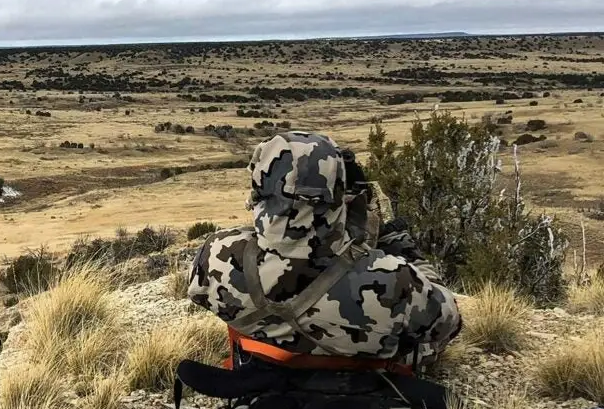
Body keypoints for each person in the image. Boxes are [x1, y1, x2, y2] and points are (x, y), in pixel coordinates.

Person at [188, 131, 461, 371]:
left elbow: (201, 291)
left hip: (259, 386)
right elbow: (448, 323)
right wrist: (395, 241)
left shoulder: (216, 254)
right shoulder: (393, 279)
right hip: (365, 399)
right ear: (338, 195)